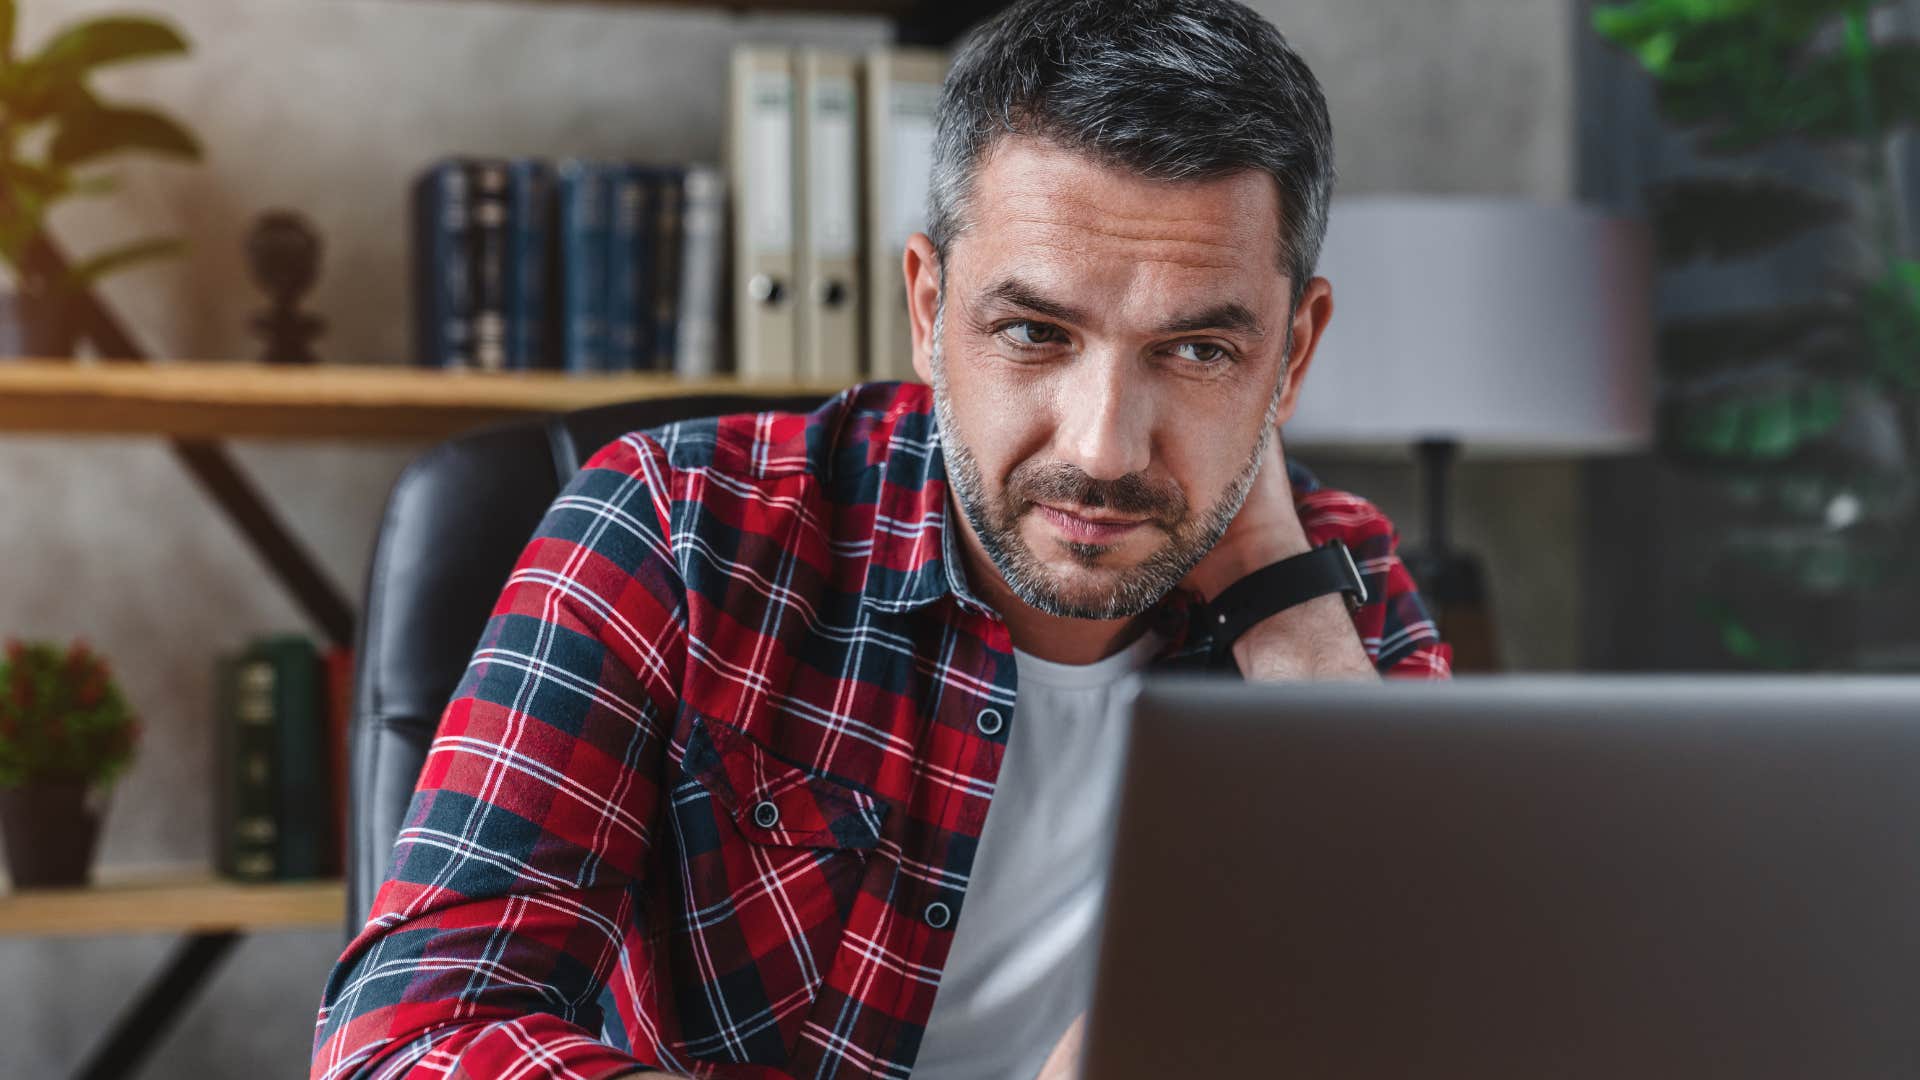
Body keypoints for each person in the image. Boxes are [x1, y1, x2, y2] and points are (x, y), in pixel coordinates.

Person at [311, 0, 1451, 1076]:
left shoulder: (1337, 587)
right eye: (1034, 332)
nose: (1105, 448)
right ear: (926, 309)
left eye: (1198, 352)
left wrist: (1285, 604)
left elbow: (1442, 1012)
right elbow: (406, 1042)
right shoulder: (678, 527)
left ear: (1293, 357)